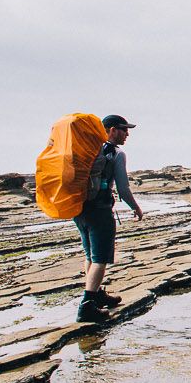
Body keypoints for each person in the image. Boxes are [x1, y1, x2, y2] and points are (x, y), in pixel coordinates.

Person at [75, 114, 144, 320]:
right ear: (112, 130)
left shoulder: (87, 150)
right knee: (101, 258)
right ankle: (87, 306)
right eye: (124, 129)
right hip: (100, 210)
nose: (127, 134)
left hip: (79, 209)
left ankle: (96, 295)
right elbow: (123, 188)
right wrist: (136, 208)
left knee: (90, 255)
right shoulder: (115, 153)